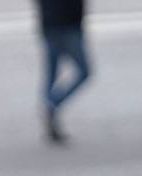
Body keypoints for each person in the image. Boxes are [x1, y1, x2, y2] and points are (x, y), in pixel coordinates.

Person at [36, 0, 92, 144]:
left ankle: (50, 112)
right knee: (84, 71)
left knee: (51, 73)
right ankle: (52, 104)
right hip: (68, 26)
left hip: (48, 24)